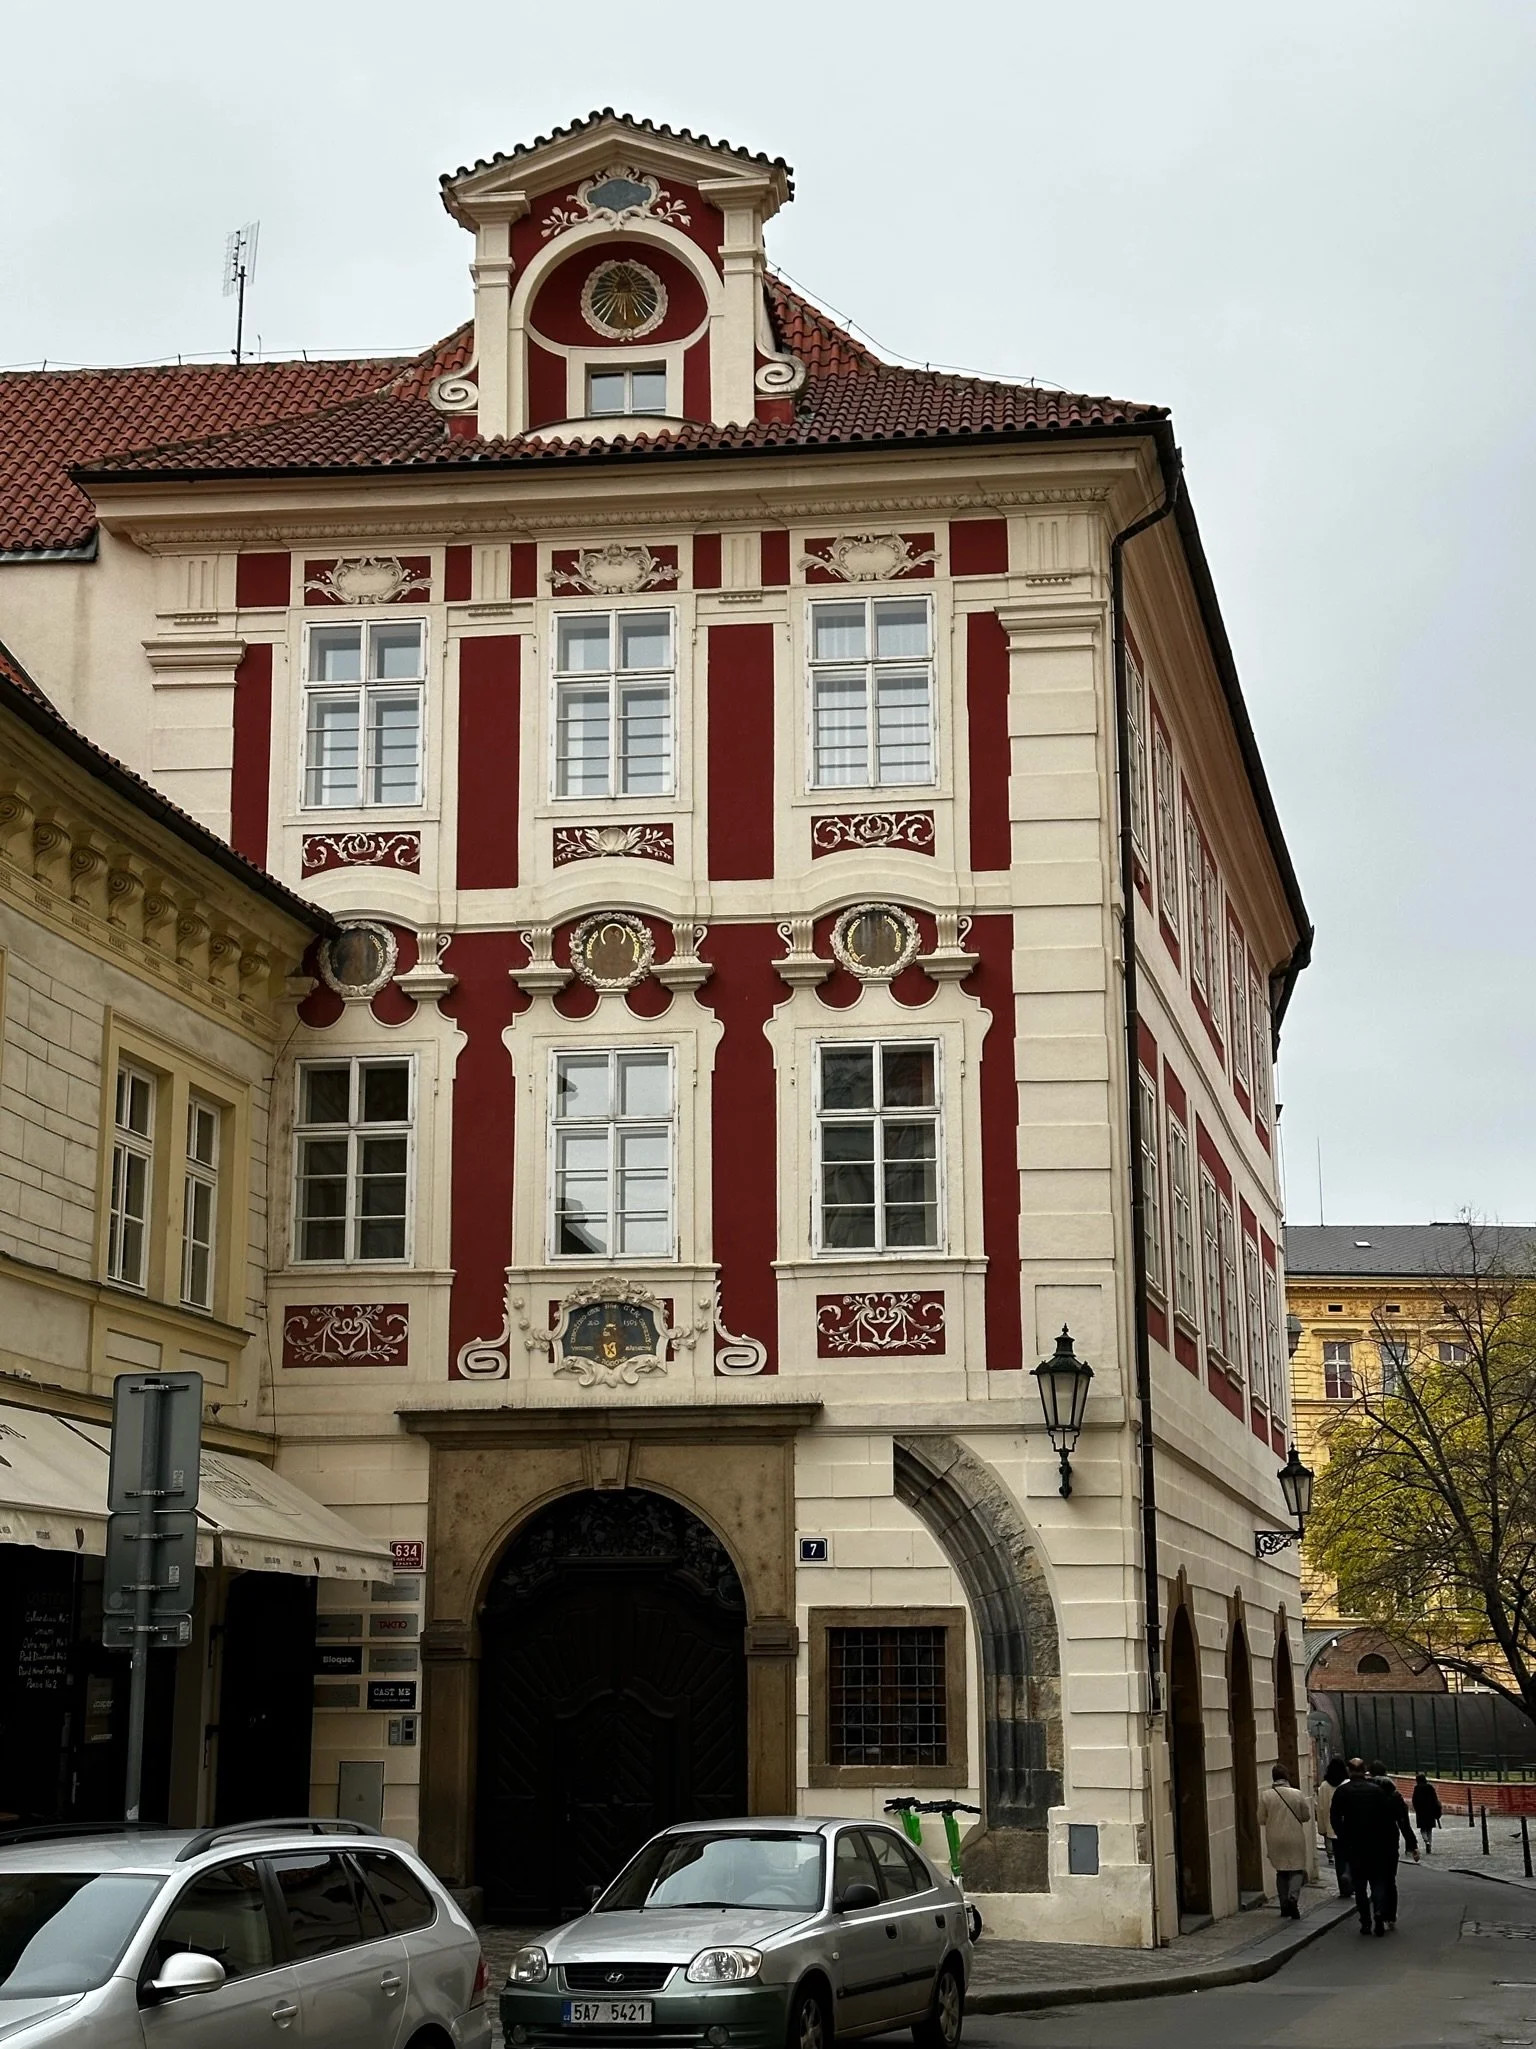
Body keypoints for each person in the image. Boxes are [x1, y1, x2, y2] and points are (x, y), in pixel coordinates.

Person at [1331, 1757, 1419, 1935]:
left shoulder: (1342, 1791)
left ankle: (1365, 1922)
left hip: (1355, 1845)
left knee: (1360, 1886)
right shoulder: (1378, 1792)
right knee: (1380, 1881)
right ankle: (1380, 1911)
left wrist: (1343, 1836)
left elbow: (1335, 1817)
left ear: (1349, 1771)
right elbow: (1390, 1819)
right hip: (1378, 1844)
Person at [1258, 1765, 1313, 1918]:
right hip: (1295, 1837)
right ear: (1287, 1777)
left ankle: (1284, 1905)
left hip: (1274, 1838)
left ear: (1273, 1777)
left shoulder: (1265, 1796)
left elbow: (1261, 1819)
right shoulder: (1297, 1794)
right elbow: (1306, 1816)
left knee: (1281, 1871)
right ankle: (1293, 1897)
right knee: (1297, 1869)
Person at [1317, 1756, 1351, 1897]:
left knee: (1339, 1859)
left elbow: (1321, 1808)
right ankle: (1351, 1881)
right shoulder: (1348, 1783)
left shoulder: (1324, 1786)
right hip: (1349, 1827)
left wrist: (1322, 1829)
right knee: (1351, 1856)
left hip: (1332, 1828)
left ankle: (1343, 1887)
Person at [1412, 1772, 1443, 1854]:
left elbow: (1414, 1800)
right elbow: (1435, 1799)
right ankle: (1429, 1843)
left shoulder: (1417, 1788)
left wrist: (1416, 1809)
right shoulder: (1430, 1787)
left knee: (1423, 1829)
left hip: (1421, 1811)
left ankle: (1426, 1841)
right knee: (1429, 1829)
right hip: (1430, 1811)